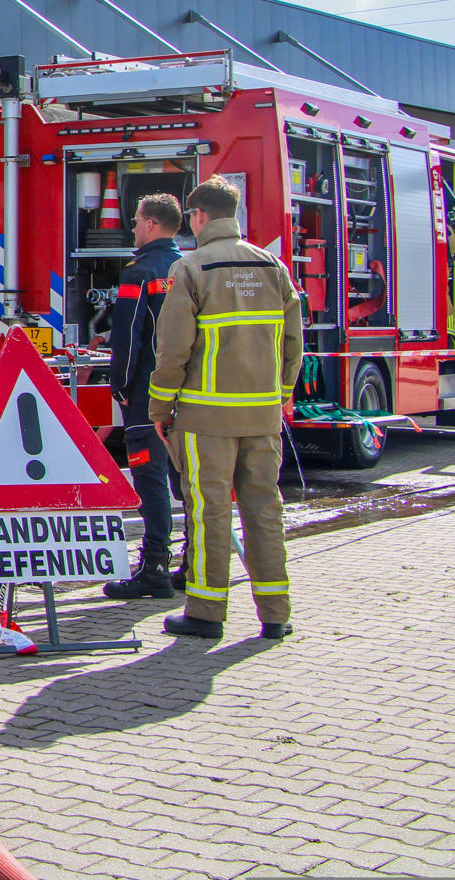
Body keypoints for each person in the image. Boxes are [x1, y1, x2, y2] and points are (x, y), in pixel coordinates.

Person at [149, 175, 303, 641]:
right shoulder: (274, 266)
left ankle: (206, 614)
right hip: (262, 416)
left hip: (205, 419)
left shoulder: (191, 268)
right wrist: (281, 393)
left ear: (198, 216)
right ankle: (275, 614)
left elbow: (173, 349)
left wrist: (160, 408)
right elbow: (293, 343)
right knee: (264, 510)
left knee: (209, 513)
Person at [101, 193, 183, 601]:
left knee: (150, 481)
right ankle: (193, 562)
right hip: (191, 394)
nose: (132, 228)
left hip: (148, 395)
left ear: (151, 224)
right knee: (186, 481)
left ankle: (154, 567)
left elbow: (127, 338)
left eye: (135, 221)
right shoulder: (189, 268)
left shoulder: (139, 273)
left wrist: (119, 386)